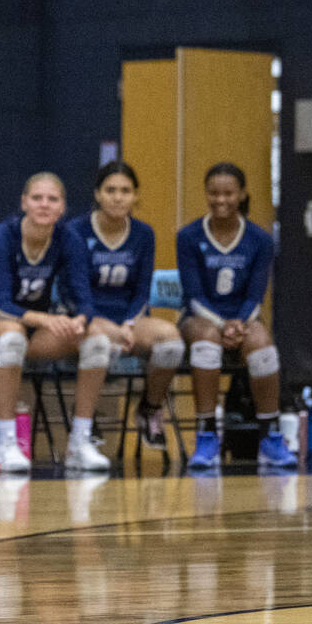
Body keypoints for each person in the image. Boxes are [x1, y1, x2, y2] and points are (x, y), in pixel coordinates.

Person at [0, 172, 112, 474]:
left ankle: (79, 442)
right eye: (37, 198)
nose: (44, 205)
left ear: (63, 208)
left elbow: (84, 298)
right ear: (24, 202)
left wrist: (79, 321)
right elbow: (2, 306)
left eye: (53, 199)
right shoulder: (3, 236)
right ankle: (6, 444)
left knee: (97, 340)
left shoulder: (68, 238)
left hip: (35, 331)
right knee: (12, 337)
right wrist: (49, 319)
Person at [178, 162, 295, 469]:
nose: (221, 200)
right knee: (206, 339)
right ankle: (206, 437)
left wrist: (239, 323)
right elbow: (193, 295)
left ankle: (270, 436)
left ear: (242, 194)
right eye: (214, 193)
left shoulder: (259, 239)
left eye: (228, 193)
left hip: (243, 317)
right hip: (200, 317)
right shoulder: (189, 236)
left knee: (261, 343)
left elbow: (256, 294)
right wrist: (222, 325)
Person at [67, 161, 186, 450]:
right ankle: (85, 415)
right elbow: (75, 287)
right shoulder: (75, 231)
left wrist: (130, 323)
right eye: (110, 190)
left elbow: (142, 287)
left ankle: (149, 408)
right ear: (97, 194)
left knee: (172, 343)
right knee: (100, 341)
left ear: (135, 196)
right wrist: (102, 326)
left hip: (127, 319)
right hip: (87, 318)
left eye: (125, 191)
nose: (118, 197)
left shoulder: (143, 234)